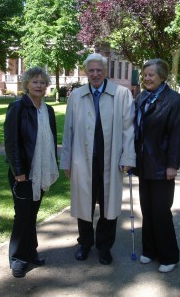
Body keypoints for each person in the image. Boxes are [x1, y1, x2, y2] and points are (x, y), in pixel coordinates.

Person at [60, 53, 136, 265]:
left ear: (106, 72)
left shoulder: (121, 94)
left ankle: (104, 247)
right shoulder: (76, 95)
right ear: (86, 71)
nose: (95, 74)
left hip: (110, 160)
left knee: (108, 205)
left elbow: (129, 130)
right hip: (82, 160)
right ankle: (84, 243)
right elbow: (69, 131)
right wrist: (66, 161)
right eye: (91, 70)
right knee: (83, 204)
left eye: (99, 70)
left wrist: (128, 157)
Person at [4, 67, 59, 278]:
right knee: (22, 215)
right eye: (35, 82)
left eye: (42, 82)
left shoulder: (49, 110)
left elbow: (51, 140)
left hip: (41, 169)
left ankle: (30, 252)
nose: (39, 85)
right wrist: (18, 170)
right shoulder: (18, 107)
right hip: (24, 172)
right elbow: (12, 142)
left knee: (32, 214)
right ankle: (17, 258)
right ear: (27, 84)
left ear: (47, 86)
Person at [133, 58, 180, 273]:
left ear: (162, 76)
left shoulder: (173, 100)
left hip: (163, 166)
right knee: (146, 209)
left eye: (151, 75)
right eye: (144, 74)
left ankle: (169, 255)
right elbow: (135, 131)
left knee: (161, 211)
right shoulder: (142, 97)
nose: (146, 78)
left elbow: (177, 136)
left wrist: (173, 165)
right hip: (144, 165)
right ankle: (150, 250)